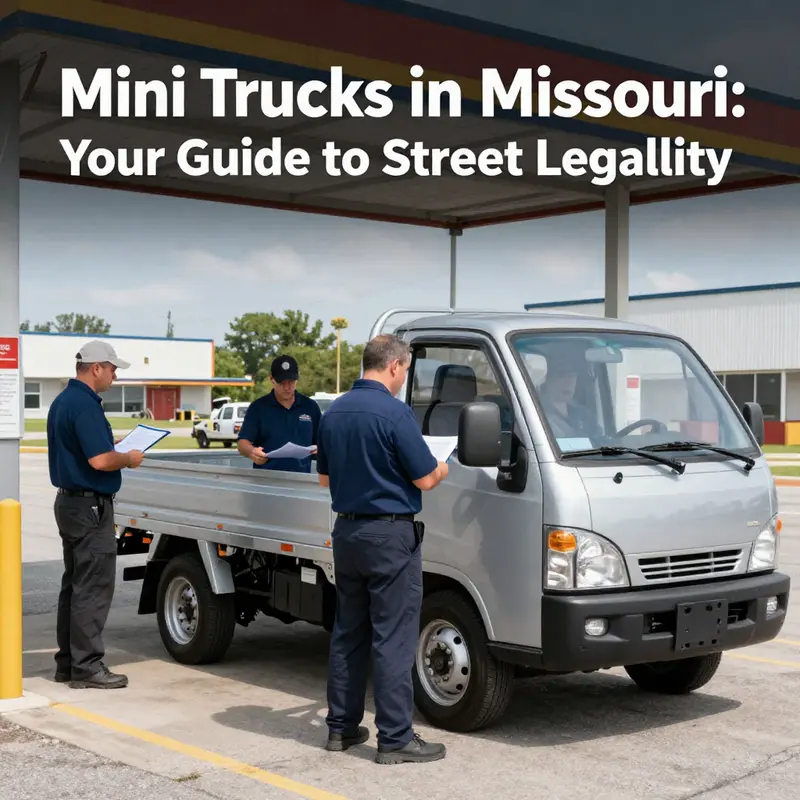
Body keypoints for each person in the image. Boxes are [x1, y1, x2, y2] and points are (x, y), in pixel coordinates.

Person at [316, 334, 449, 765]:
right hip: (390, 536)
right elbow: (426, 479)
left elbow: (324, 480)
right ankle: (394, 738)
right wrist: (443, 465)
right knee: (392, 638)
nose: (404, 376)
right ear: (394, 366)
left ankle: (340, 728)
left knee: (349, 633)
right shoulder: (395, 413)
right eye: (406, 370)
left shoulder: (334, 412)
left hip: (347, 534)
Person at [47, 340, 145, 689]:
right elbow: (100, 461)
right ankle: (88, 668)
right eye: (113, 368)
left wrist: (110, 446)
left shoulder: (63, 401)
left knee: (74, 586)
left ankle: (68, 663)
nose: (115, 375)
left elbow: (88, 449)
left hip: (71, 504)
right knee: (93, 587)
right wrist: (128, 458)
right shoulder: (85, 405)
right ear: (96, 367)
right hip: (90, 507)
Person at [237, 354, 322, 472]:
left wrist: (320, 450)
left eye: (291, 382)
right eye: (282, 382)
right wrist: (252, 452)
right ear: (272, 379)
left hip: (301, 481)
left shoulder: (310, 407)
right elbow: (242, 443)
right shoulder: (258, 408)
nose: (287, 387)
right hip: (267, 481)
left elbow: (322, 442)